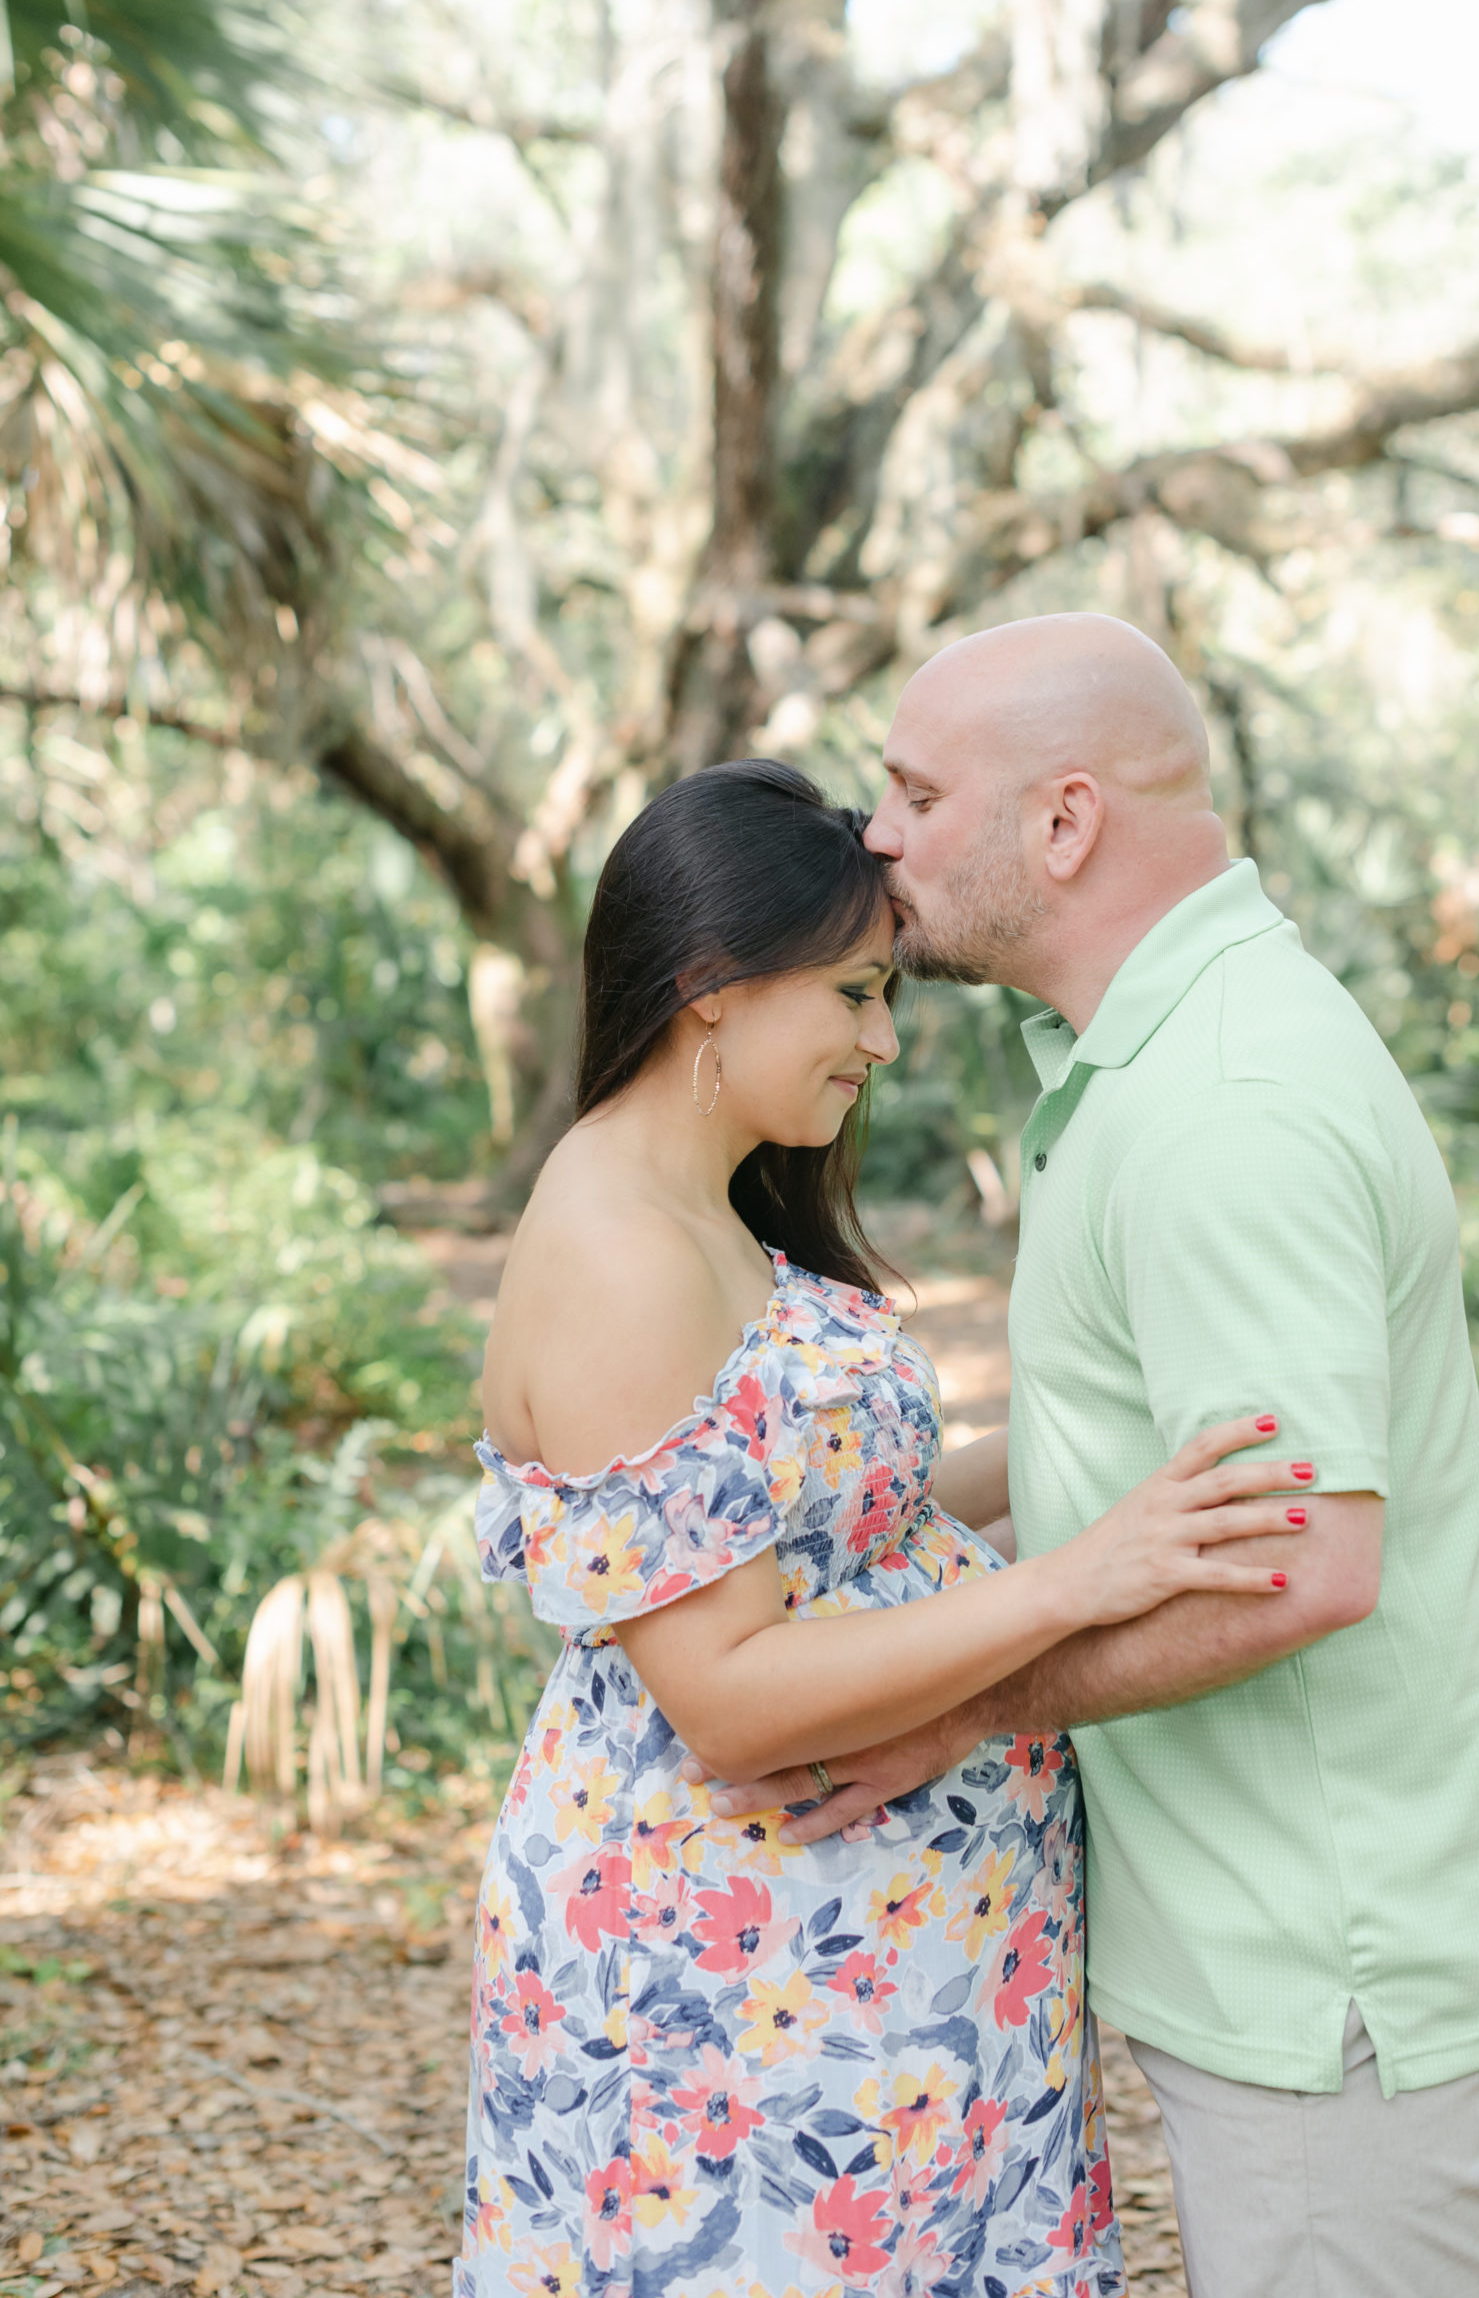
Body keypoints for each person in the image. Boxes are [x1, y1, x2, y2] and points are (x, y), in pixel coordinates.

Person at [709, 620, 1479, 2298]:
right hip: (1269, 1945)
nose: (874, 831)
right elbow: (1130, 1456)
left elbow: (1300, 1567)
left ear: (1063, 823)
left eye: (914, 791)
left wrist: (955, 1716)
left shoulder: (1222, 1105)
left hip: (1328, 1967)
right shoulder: (1157, 1059)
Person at [455, 757, 1306, 2298]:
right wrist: (1070, 1583)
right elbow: (723, 1696)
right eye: (853, 994)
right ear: (713, 985)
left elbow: (852, 1509)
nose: (882, 1039)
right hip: (744, 1984)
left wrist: (1120, 1468)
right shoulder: (621, 1255)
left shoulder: (704, 1203)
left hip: (884, 1985)